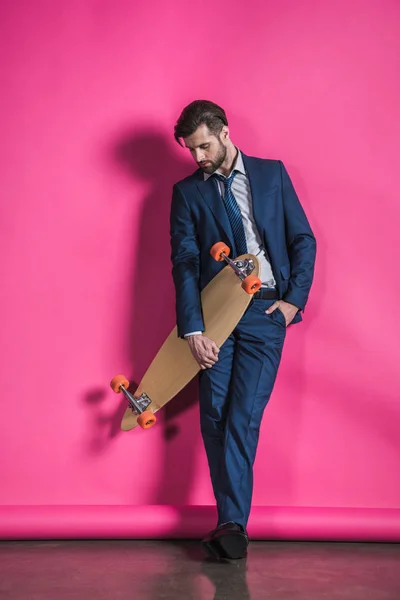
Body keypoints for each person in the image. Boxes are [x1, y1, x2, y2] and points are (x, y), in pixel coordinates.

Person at [170, 100, 316, 559]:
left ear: (225, 132)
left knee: (241, 417)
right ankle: (229, 522)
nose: (198, 158)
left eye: (204, 146)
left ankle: (233, 523)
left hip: (265, 312)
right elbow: (186, 262)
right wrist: (193, 328)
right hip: (214, 317)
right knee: (213, 415)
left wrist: (292, 302)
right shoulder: (187, 192)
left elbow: (301, 239)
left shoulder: (271, 175)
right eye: (191, 150)